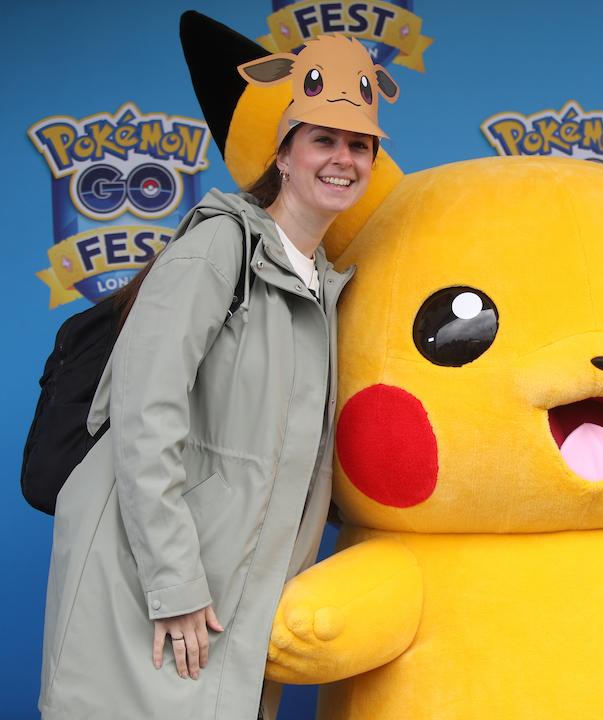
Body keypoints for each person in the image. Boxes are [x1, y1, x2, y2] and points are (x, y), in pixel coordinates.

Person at [38, 22, 399, 720]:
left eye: (359, 145)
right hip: (154, 591)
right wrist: (174, 583)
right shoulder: (218, 249)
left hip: (237, 605)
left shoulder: (327, 289)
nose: (342, 159)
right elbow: (146, 415)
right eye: (323, 139)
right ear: (286, 154)